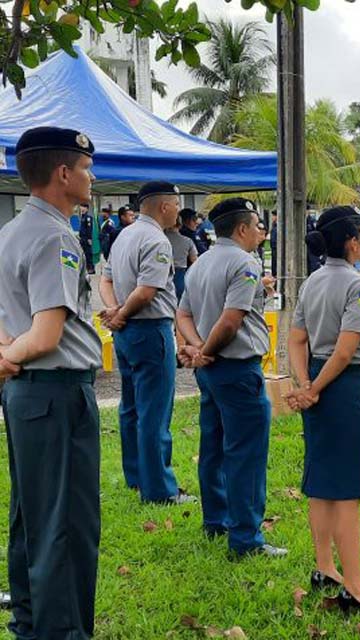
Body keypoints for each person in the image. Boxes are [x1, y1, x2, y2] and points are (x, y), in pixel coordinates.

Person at [0, 126, 102, 640]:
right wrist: (10, 356)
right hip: (56, 392)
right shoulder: (56, 235)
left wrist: (6, 352)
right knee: (66, 526)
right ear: (63, 173)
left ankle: (30, 625)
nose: (91, 176)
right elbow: (45, 334)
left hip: (25, 396)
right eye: (85, 168)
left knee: (32, 517)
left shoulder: (12, 231)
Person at [284, 205, 360, 613]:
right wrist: (316, 389)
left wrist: (304, 385)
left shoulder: (312, 282)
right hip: (345, 388)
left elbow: (295, 340)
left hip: (316, 380)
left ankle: (326, 567)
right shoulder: (359, 284)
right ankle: (356, 587)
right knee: (347, 491)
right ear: (350, 242)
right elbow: (345, 352)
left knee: (322, 480)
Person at [175, 198, 286, 558]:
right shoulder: (245, 263)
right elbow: (231, 319)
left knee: (214, 447)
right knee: (246, 454)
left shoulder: (202, 261)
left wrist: (196, 348)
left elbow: (183, 314)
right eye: (256, 225)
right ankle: (246, 539)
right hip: (235, 367)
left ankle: (216, 520)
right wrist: (205, 349)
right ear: (241, 228)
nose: (260, 232)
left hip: (210, 370)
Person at [99, 182, 193, 504]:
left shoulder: (124, 235)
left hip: (126, 333)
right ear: (165, 206)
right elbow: (148, 290)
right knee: (154, 411)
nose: (178, 211)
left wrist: (114, 312)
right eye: (176, 204)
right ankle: (159, 490)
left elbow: (106, 278)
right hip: (150, 329)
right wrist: (121, 313)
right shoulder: (156, 240)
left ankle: (136, 476)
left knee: (131, 408)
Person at [166, 216, 198, 301]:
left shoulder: (160, 239)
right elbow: (194, 261)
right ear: (180, 226)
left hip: (163, 274)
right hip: (180, 275)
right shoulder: (188, 241)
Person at [77, 203, 96, 274]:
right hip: (82, 239)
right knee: (82, 254)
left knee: (88, 254)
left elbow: (89, 229)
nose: (82, 209)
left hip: (86, 239)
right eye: (81, 207)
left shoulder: (88, 218)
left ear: (87, 209)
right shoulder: (82, 217)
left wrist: (89, 239)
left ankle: (91, 269)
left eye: (84, 207)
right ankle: (84, 269)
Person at [269, 211, 279, 276]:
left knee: (276, 265)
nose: (272, 217)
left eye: (274, 216)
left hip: (277, 248)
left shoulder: (278, 226)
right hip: (273, 248)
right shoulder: (274, 225)